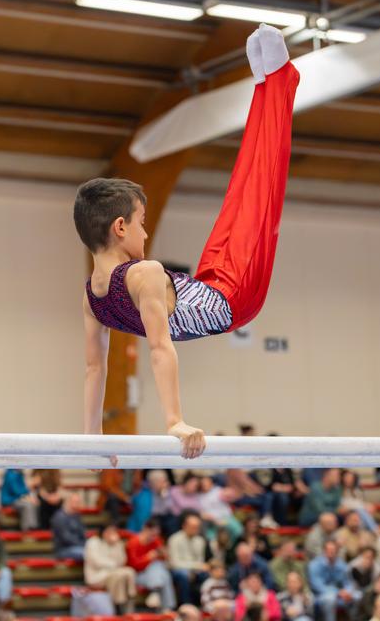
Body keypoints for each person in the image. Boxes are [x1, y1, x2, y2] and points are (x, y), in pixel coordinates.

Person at [73, 24, 300, 459]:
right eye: (142, 222)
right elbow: (160, 348)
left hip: (213, 282)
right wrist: (174, 420)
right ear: (120, 227)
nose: (145, 232)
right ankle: (280, 81)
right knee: (262, 189)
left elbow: (93, 369)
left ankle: (266, 85)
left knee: (240, 191)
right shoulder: (144, 274)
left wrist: (91, 439)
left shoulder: (91, 296)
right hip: (235, 299)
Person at [84, 524, 136, 614]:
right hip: (97, 576)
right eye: (109, 531)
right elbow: (96, 561)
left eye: (113, 531)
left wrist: (116, 545)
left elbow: (122, 560)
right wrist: (114, 565)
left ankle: (129, 596)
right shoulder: (93, 542)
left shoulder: (117, 543)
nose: (112, 534)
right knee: (119, 575)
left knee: (129, 571)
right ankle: (119, 606)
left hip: (114, 573)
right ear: (103, 532)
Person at [126, 517, 176, 611]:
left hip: (154, 575)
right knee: (160, 570)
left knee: (161, 569)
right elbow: (134, 566)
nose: (154, 537)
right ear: (145, 529)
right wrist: (148, 558)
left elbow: (165, 559)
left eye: (156, 534)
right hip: (138, 575)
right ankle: (167, 608)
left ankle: (156, 592)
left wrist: (164, 554)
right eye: (152, 534)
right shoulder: (133, 542)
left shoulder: (156, 540)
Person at [308, 540, 360, 621]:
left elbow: (348, 582)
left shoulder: (341, 564)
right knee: (330, 598)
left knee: (358, 596)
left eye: (333, 550)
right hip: (320, 596)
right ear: (324, 551)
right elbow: (318, 586)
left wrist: (347, 592)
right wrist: (338, 592)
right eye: (328, 550)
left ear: (337, 552)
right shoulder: (314, 565)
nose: (331, 552)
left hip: (341, 595)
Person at [168, 513, 209, 605]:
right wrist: (194, 567)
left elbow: (200, 561)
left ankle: (203, 605)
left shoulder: (200, 541)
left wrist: (195, 569)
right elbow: (174, 563)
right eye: (193, 527)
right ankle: (185, 605)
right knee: (183, 575)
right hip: (177, 570)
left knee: (206, 575)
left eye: (197, 527)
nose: (196, 529)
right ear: (184, 526)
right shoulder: (174, 539)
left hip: (195, 570)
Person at [199, 476, 243, 542]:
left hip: (226, 518)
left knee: (238, 531)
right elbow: (202, 513)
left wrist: (229, 494)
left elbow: (230, 494)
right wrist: (214, 520)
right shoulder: (199, 497)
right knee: (211, 538)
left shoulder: (217, 490)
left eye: (207, 482)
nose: (205, 484)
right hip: (212, 522)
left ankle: (227, 545)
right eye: (203, 483)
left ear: (211, 482)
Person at [51, 492, 86, 561]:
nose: (78, 504)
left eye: (78, 502)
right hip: (63, 549)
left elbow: (82, 534)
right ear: (68, 502)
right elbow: (66, 538)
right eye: (75, 501)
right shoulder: (59, 517)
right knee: (86, 553)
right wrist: (83, 545)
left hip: (78, 547)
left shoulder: (77, 516)